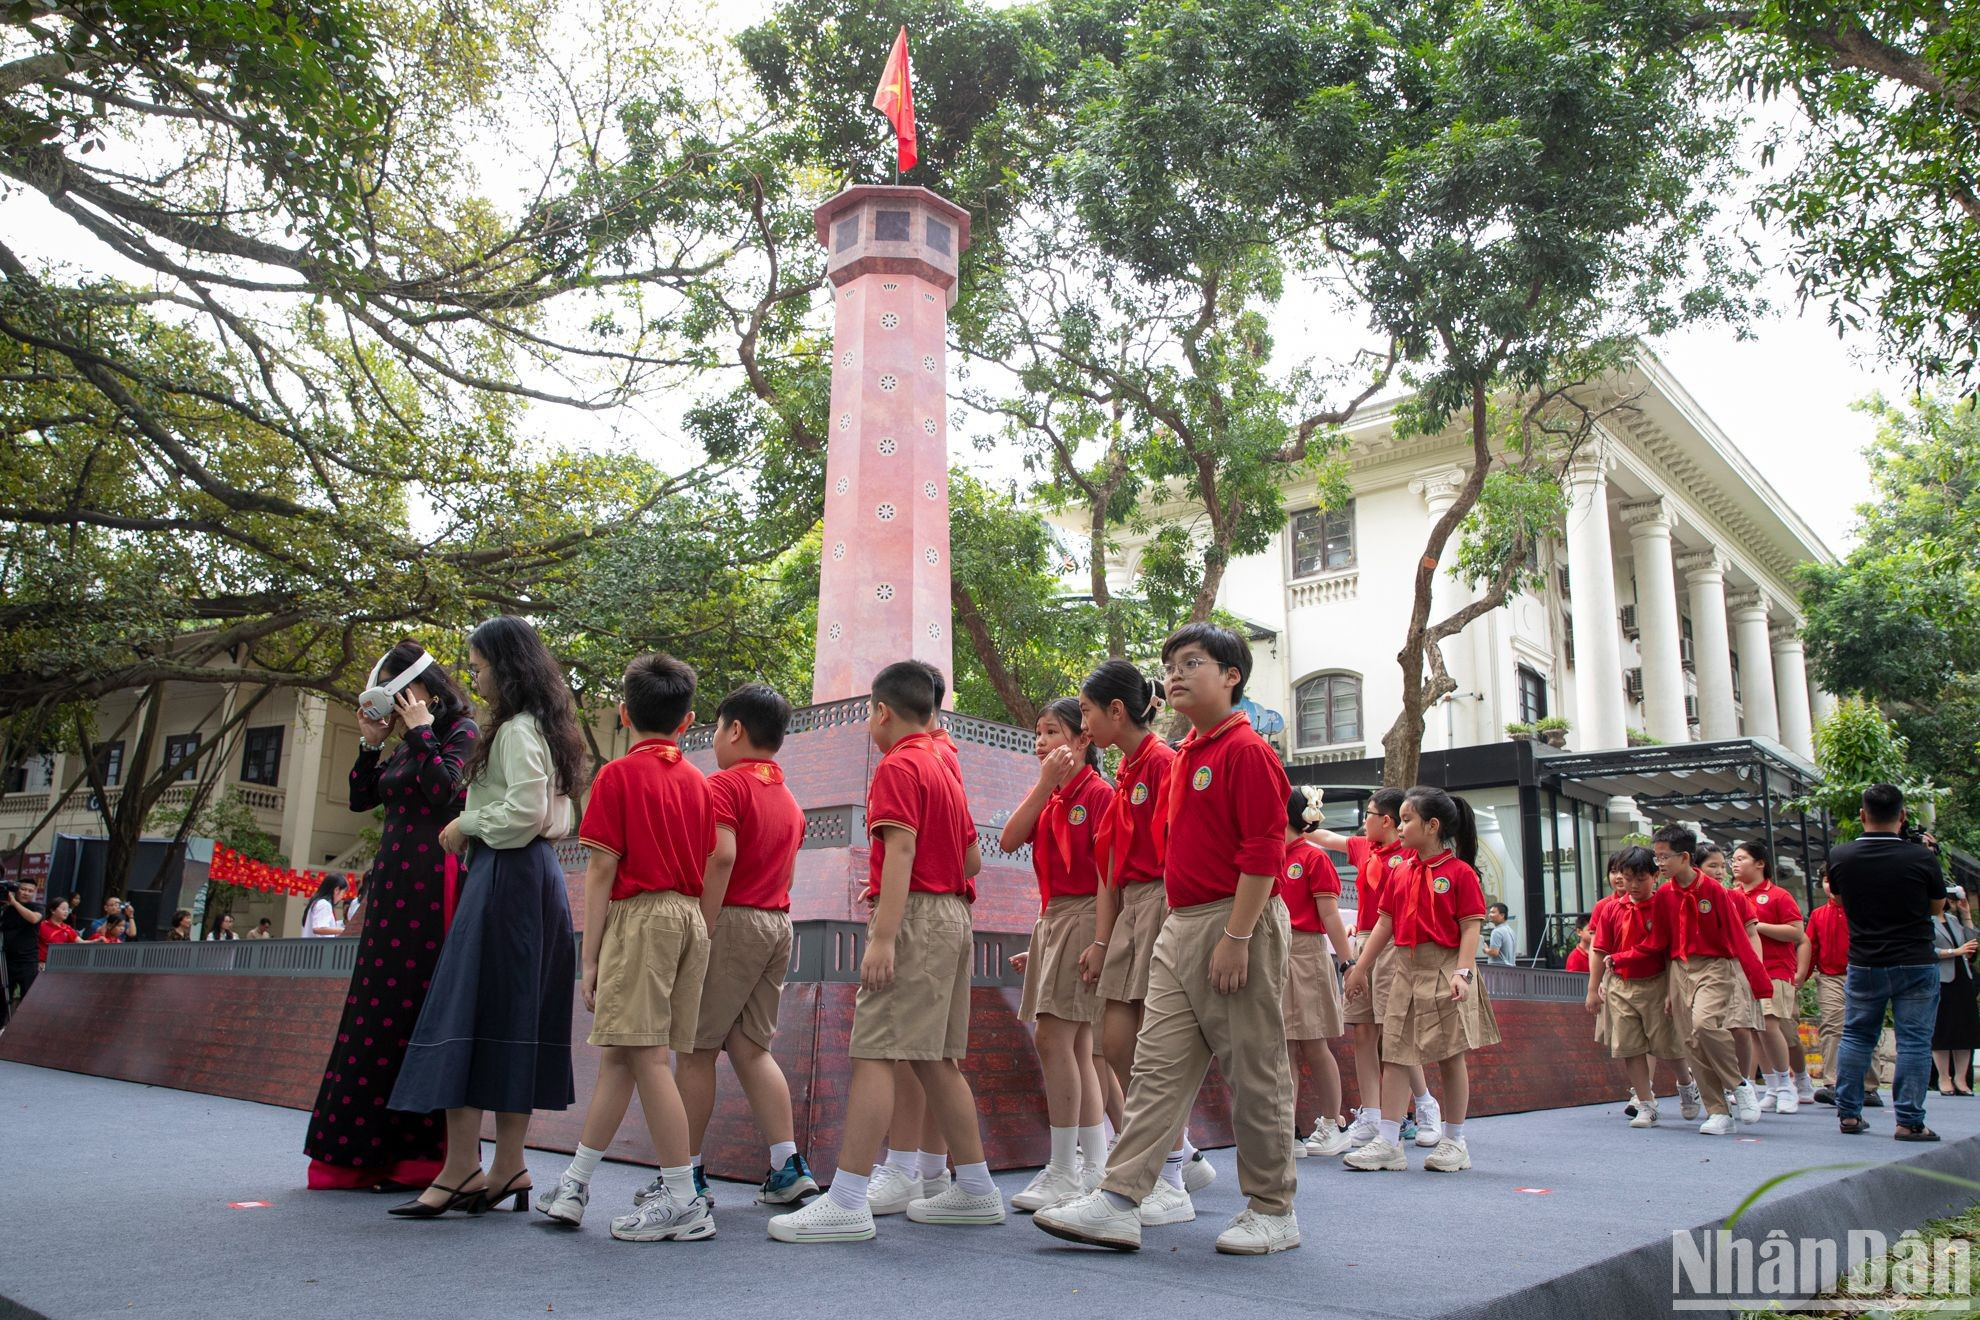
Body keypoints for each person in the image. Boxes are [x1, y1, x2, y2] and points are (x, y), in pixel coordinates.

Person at [1035, 623, 1298, 1256]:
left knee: (1254, 1068)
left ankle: (1272, 1208)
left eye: (1193, 663)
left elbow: (1265, 850)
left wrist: (1236, 935)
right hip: (1180, 924)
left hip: (1232, 920)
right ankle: (1122, 1198)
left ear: (1232, 676)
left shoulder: (1245, 750)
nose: (1175, 675)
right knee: (1153, 1069)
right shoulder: (1190, 753)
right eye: (1171, 665)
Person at [768, 661, 992, 1243]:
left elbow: (899, 854)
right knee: (935, 1060)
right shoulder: (945, 764)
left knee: (875, 1054)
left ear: (883, 711)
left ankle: (846, 1199)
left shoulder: (899, 765)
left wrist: (885, 936)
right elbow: (971, 862)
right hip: (953, 917)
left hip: (915, 916)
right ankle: (974, 1187)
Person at [386, 616, 580, 1216]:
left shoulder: (517, 732)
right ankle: (506, 1166)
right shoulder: (545, 729)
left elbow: (521, 814)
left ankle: (464, 1167)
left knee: (464, 1009)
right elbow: (558, 816)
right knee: (510, 1016)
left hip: (506, 874)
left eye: (479, 665)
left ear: (506, 665)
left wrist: (467, 823)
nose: (474, 675)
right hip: (532, 878)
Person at [533, 653, 716, 1240]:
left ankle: (684, 1199)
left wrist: (590, 955)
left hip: (642, 918)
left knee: (644, 1058)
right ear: (687, 721)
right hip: (687, 918)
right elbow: (714, 862)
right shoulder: (698, 781)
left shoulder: (616, 775)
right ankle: (576, 1184)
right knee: (623, 1055)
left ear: (623, 711)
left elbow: (601, 871)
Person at [305, 639, 478, 1192]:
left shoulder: (461, 732)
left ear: (427, 687)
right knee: (373, 1010)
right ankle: (356, 1157)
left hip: (434, 882)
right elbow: (361, 797)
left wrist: (423, 729)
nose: (396, 701)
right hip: (392, 884)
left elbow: (445, 790)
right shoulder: (403, 744)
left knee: (419, 1008)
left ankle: (421, 1159)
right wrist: (370, 743)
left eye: (403, 690)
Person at [1077, 660, 1218, 1219]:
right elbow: (1110, 866)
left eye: (1087, 711)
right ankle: (1179, 1153)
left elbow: (1179, 845)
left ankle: (1170, 1177)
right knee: (1116, 1043)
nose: (1083, 724)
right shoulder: (1127, 771)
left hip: (1164, 901)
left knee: (1156, 1051)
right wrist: (1102, 938)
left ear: (1117, 710)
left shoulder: (1163, 763)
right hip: (1133, 908)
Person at [674, 683, 818, 1211]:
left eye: (716, 727)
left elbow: (721, 857)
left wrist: (702, 928)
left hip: (731, 922)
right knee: (751, 1047)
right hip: (777, 923)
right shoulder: (789, 799)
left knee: (694, 1050)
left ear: (735, 729)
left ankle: (683, 1176)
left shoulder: (724, 787)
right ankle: (787, 1165)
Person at [1343, 786, 1501, 1173]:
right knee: (1395, 1052)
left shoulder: (1460, 873)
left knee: (1449, 1055)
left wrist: (1463, 973)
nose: (1400, 826)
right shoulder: (1401, 871)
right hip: (1406, 970)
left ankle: (1455, 1140)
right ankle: (1387, 1141)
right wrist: (1360, 967)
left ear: (1432, 826)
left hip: (1445, 969)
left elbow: (1470, 928)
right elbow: (1384, 923)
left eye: (1408, 819)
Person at [1002, 697, 1114, 1214]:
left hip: (1087, 915)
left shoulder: (1098, 795)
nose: (1041, 743)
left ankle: (1067, 1167)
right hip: (1056, 920)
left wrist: (1098, 941)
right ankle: (1090, 1165)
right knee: (1079, 1047)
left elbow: (1105, 878)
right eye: (1038, 734)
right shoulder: (1053, 796)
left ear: (1083, 739)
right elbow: (1008, 840)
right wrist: (1044, 943)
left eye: (1051, 732)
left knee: (1055, 1038)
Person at [1607, 825, 1773, 1135]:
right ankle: (1718, 1111)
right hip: (1679, 970)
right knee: (1691, 1041)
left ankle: (1738, 1083)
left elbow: (1739, 936)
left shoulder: (1714, 891)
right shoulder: (1666, 894)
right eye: (1657, 857)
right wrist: (1620, 958)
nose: (1659, 864)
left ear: (1684, 857)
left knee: (1705, 1024)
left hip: (1714, 966)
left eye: (1663, 857)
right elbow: (1657, 942)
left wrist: (1757, 981)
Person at [1307, 789, 1437, 1152]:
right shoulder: (1365, 847)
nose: (1363, 821)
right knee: (1363, 1031)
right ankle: (1372, 1114)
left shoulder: (1411, 852)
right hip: (1364, 941)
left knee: (1395, 1030)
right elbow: (1323, 836)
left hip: (1397, 944)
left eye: (1370, 814)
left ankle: (1425, 1105)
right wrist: (1303, 813)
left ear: (1388, 821)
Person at [1827, 785, 1948, 1141]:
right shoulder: (1921, 858)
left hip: (1865, 961)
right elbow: (1937, 908)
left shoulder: (1841, 856)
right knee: (1914, 1041)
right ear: (1903, 816)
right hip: (1915, 960)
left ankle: (1849, 1114)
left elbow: (1838, 898)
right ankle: (1909, 1121)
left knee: (1856, 1035)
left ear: (1863, 815)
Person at [1585, 846, 1695, 1127]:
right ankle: (1646, 1103)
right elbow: (1600, 950)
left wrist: (1673, 991)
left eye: (1640, 879)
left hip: (1656, 982)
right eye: (1627, 877)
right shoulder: (1611, 908)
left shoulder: (1664, 905)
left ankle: (1686, 1085)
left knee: (1667, 1044)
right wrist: (1593, 987)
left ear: (1655, 876)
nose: (1632, 885)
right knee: (1629, 1046)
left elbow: (1669, 952)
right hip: (1621, 983)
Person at [1282, 788, 1353, 1157]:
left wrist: (1347, 962)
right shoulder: (1268, 856)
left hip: (1307, 953)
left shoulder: (1313, 857)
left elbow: (1329, 916)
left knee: (1312, 1043)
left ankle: (1332, 1121)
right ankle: (1287, 1130)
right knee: (1283, 1046)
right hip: (1273, 953)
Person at [1731, 840, 1810, 1113]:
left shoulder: (1778, 895)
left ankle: (1788, 1085)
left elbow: (1797, 932)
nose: (1735, 863)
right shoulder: (1732, 895)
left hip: (1775, 969)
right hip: (1744, 972)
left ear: (1760, 863)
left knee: (1768, 1022)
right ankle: (1774, 1087)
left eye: (1741, 858)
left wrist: (1757, 926)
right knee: (1753, 1029)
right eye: (1734, 858)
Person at [1799, 870, 1883, 1107]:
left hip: (1862, 972)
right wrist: (1801, 977)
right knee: (1833, 1026)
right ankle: (1833, 1083)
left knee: (1867, 1026)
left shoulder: (1863, 910)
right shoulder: (1818, 914)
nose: (1831, 886)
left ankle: (1869, 1086)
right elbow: (1810, 947)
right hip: (1830, 977)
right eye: (1827, 881)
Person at [1931, 886, 1979, 1098]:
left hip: (1962, 977)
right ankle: (1944, 1077)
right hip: (1941, 979)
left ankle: (1961, 1078)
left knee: (1965, 1028)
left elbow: (1972, 942)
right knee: (1943, 1028)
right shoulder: (1924, 920)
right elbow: (1925, 949)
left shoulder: (1952, 920)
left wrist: (1966, 913)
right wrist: (1954, 952)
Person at [2, 879, 45, 1024]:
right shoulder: (5, 910)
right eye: (23, 889)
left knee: (28, 997)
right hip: (6, 960)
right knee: (3, 998)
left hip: (27, 961)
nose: (26, 893)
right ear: (16, 890)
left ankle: (27, 1027)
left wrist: (14, 902)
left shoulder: (37, 907)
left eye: (30, 891)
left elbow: (33, 919)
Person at [37, 896, 78, 968]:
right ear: (53, 910)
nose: (66, 912)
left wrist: (95, 941)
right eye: (63, 909)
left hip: (61, 965)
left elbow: (80, 942)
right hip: (42, 965)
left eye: (67, 909)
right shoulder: (42, 926)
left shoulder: (67, 928)